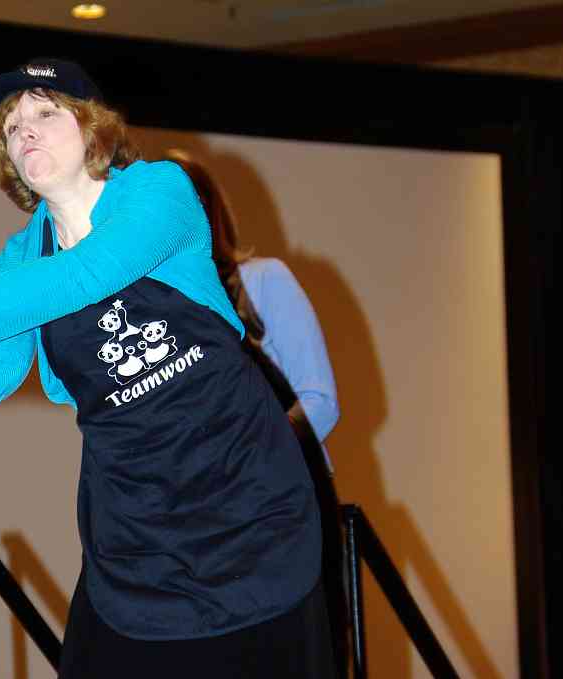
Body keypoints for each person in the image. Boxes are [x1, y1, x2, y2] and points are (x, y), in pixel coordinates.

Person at [0, 58, 335, 677]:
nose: (24, 131)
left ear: (92, 127)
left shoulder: (159, 191)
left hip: (241, 494)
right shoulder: (20, 257)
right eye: (11, 126)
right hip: (135, 517)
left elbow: (89, 272)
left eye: (44, 112)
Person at [164, 148, 349, 678]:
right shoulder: (155, 308)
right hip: (197, 530)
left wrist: (236, 459)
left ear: (208, 209)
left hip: (282, 508)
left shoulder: (264, 279)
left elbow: (320, 402)